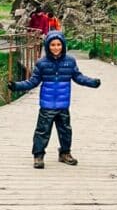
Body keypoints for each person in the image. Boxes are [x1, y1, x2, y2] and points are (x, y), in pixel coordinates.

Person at [9, 30, 101, 169]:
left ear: (63, 45)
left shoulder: (70, 61)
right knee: (42, 131)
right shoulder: (42, 63)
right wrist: (16, 86)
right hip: (47, 105)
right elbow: (32, 82)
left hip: (63, 104)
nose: (56, 47)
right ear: (47, 46)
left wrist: (92, 82)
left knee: (65, 130)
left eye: (59, 44)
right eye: (53, 45)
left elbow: (78, 77)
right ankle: (38, 155)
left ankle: (65, 153)